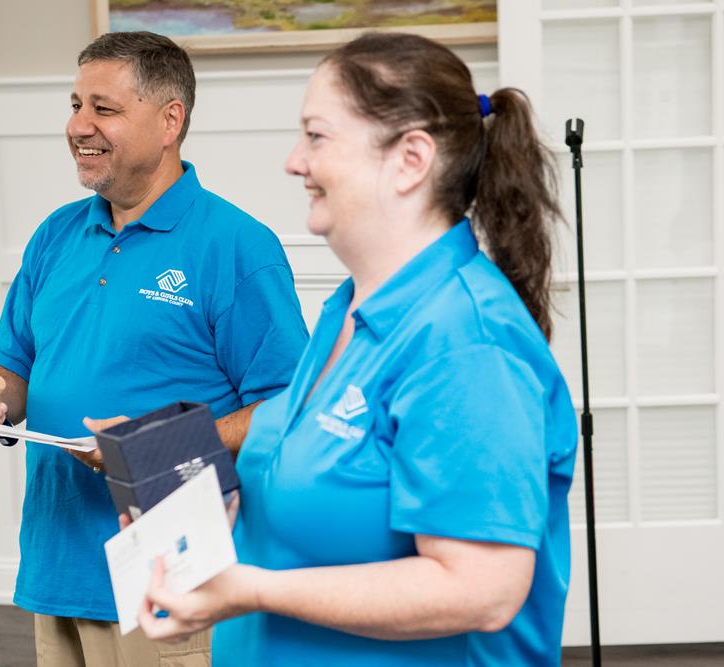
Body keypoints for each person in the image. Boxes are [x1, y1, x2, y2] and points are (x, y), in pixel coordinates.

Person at [133, 32, 579, 666]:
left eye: (317, 136)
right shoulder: (345, 313)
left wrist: (250, 590)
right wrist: (194, 539)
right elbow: (306, 491)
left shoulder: (466, 344)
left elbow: (481, 591)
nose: (295, 161)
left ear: (410, 159)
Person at [0, 31, 308, 667]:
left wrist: (151, 448)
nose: (78, 126)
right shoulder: (56, 234)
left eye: (103, 109)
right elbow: (16, 365)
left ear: (171, 120)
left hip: (168, 579)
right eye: (75, 104)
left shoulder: (237, 247)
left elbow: (290, 407)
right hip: (56, 567)